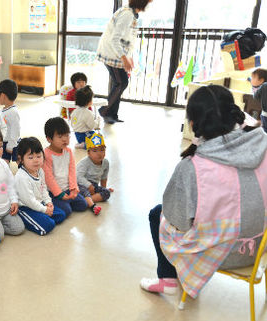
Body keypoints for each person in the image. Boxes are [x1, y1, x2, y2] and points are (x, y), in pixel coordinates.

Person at [140, 85, 267, 298]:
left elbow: (178, 220)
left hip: (220, 254)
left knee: (157, 214)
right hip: (259, 246)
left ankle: (167, 279)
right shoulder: (262, 142)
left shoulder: (193, 167)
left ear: (193, 124)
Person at [96, 0, 153, 124]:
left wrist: (129, 56)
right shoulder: (127, 14)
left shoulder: (130, 13)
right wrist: (124, 57)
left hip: (116, 54)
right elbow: (115, 39)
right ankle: (104, 110)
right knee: (121, 83)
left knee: (119, 83)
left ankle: (111, 115)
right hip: (113, 54)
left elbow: (126, 39)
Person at [43, 117, 97, 217]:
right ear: (49, 139)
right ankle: (49, 204)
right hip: (53, 192)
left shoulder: (68, 151)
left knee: (83, 205)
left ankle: (66, 202)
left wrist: (73, 189)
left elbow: (72, 171)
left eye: (67, 135)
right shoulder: (46, 154)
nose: (65, 139)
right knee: (67, 211)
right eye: (60, 136)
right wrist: (60, 194)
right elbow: (48, 178)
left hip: (68, 189)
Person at [14, 137, 66, 236]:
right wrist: (45, 210)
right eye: (30, 157)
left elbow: (43, 189)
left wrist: (48, 202)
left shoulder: (40, 171)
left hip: (39, 203)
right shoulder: (21, 177)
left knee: (61, 215)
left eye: (39, 156)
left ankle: (42, 215)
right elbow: (29, 201)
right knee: (48, 225)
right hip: (26, 207)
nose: (36, 160)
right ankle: (27, 219)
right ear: (21, 159)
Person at [77, 132, 113, 214]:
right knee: (84, 191)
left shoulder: (106, 162)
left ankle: (85, 201)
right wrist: (88, 185)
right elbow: (78, 177)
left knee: (106, 193)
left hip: (94, 185)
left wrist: (104, 188)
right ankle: (90, 203)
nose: (99, 153)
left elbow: (104, 177)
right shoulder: (85, 163)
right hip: (81, 184)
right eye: (95, 151)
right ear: (88, 153)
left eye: (102, 150)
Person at [0, 79, 21, 164]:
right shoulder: (4, 110)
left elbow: (16, 130)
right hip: (4, 141)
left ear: (2, 95)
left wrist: (11, 145)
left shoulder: (13, 112)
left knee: (5, 163)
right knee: (2, 162)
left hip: (9, 142)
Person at [251, 68, 267, 133]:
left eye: (253, 78)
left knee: (265, 131)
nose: (251, 80)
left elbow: (255, 97)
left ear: (261, 80)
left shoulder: (264, 86)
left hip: (265, 114)